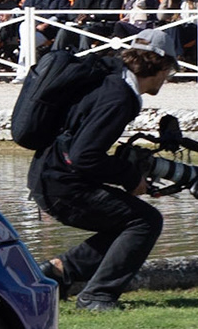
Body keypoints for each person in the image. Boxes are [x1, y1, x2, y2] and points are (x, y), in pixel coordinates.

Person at [31, 32, 179, 310]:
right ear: (158, 66)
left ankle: (58, 272)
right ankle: (96, 297)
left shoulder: (111, 81)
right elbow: (84, 156)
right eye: (168, 71)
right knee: (144, 221)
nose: (166, 79)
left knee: (130, 221)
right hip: (61, 184)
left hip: (50, 175)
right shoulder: (119, 97)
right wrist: (129, 176)